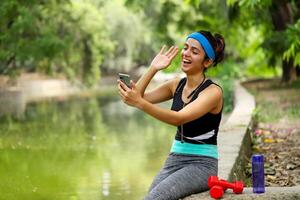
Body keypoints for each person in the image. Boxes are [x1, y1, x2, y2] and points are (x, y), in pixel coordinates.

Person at [118, 30, 225, 200]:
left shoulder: (213, 92)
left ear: (207, 61)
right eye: (185, 48)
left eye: (194, 51)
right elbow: (138, 96)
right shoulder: (176, 85)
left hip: (202, 164)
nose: (186, 54)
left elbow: (178, 118)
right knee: (150, 196)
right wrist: (154, 68)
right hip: (175, 159)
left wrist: (139, 102)